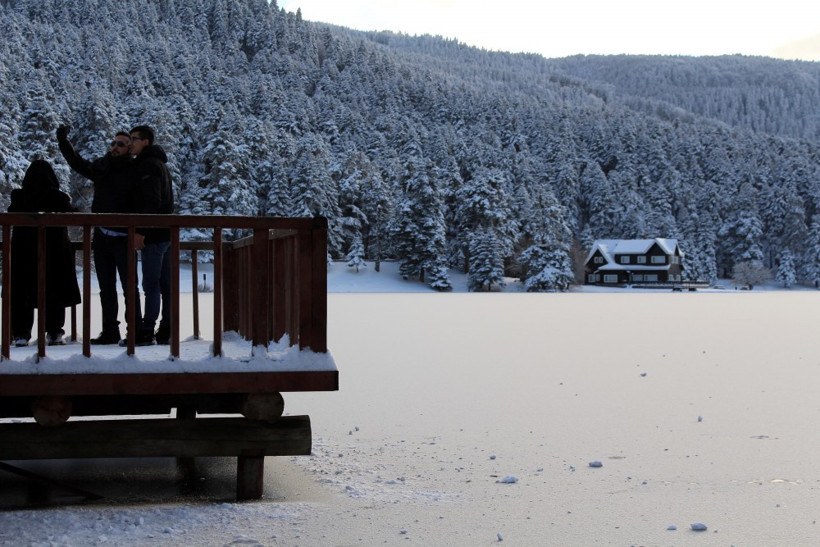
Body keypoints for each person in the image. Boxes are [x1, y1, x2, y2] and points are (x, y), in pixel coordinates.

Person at [57, 125, 142, 344]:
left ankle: (135, 331)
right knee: (106, 288)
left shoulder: (135, 170)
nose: (115, 147)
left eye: (120, 144)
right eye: (113, 143)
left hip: (125, 237)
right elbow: (78, 163)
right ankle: (110, 331)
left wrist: (140, 231)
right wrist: (64, 142)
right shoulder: (103, 167)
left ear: (129, 148)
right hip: (102, 236)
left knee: (130, 288)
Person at [8, 160, 82, 346]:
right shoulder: (58, 198)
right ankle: (54, 332)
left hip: (24, 254)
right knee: (55, 291)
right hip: (55, 254)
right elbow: (73, 214)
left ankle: (21, 334)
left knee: (22, 291)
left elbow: (11, 214)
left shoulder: (19, 197)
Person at [129, 125, 174, 346]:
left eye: (134, 139)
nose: (131, 143)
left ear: (145, 141)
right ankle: (167, 329)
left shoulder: (147, 165)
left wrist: (141, 231)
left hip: (154, 236)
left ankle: (147, 330)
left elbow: (152, 200)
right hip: (166, 233)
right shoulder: (160, 164)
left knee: (151, 285)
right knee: (166, 285)